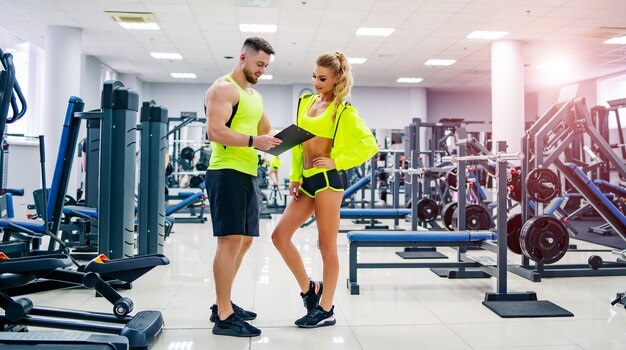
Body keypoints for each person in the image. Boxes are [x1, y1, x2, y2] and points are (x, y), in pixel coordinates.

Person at [271, 51, 378, 328]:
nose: (316, 82)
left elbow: (369, 144)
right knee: (280, 236)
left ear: (337, 79)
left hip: (329, 182)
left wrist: (337, 160)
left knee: (326, 245)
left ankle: (326, 309)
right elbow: (297, 141)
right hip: (306, 181)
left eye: (322, 78)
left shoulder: (343, 110)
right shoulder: (306, 102)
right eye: (314, 77)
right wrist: (295, 176)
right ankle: (309, 289)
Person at [203, 36, 281, 337]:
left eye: (266, 66)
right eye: (259, 64)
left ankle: (224, 303)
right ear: (243, 58)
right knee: (229, 241)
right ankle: (224, 315)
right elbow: (215, 131)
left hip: (248, 173)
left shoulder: (253, 96)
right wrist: (253, 142)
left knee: (245, 240)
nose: (262, 70)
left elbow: (264, 131)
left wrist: (287, 139)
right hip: (226, 172)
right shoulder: (223, 89)